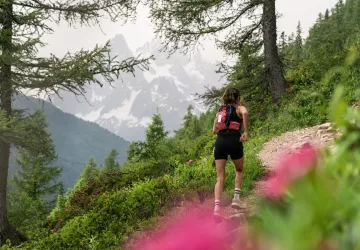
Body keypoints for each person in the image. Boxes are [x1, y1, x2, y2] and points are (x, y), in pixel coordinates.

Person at [212, 88, 248, 219]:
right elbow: (245, 113)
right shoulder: (239, 108)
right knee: (239, 169)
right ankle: (236, 199)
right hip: (234, 140)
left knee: (220, 177)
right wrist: (245, 132)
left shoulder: (220, 111)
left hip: (220, 141)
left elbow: (214, 130)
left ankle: (216, 208)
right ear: (237, 97)